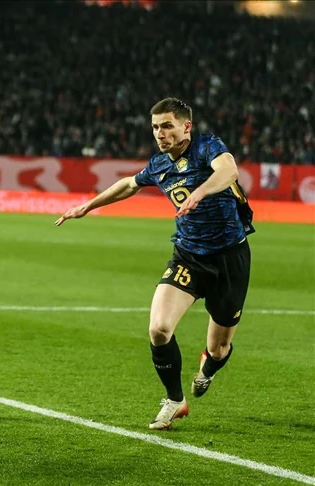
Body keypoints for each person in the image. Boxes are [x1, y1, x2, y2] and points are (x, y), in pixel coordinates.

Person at [55, 98, 254, 430]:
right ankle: (175, 400)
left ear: (186, 127)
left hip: (230, 258)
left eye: (167, 126)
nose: (160, 133)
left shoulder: (207, 147)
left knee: (219, 348)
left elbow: (228, 171)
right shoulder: (160, 165)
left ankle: (207, 368)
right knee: (159, 329)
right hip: (188, 256)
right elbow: (128, 185)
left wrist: (200, 193)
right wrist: (87, 206)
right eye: (155, 127)